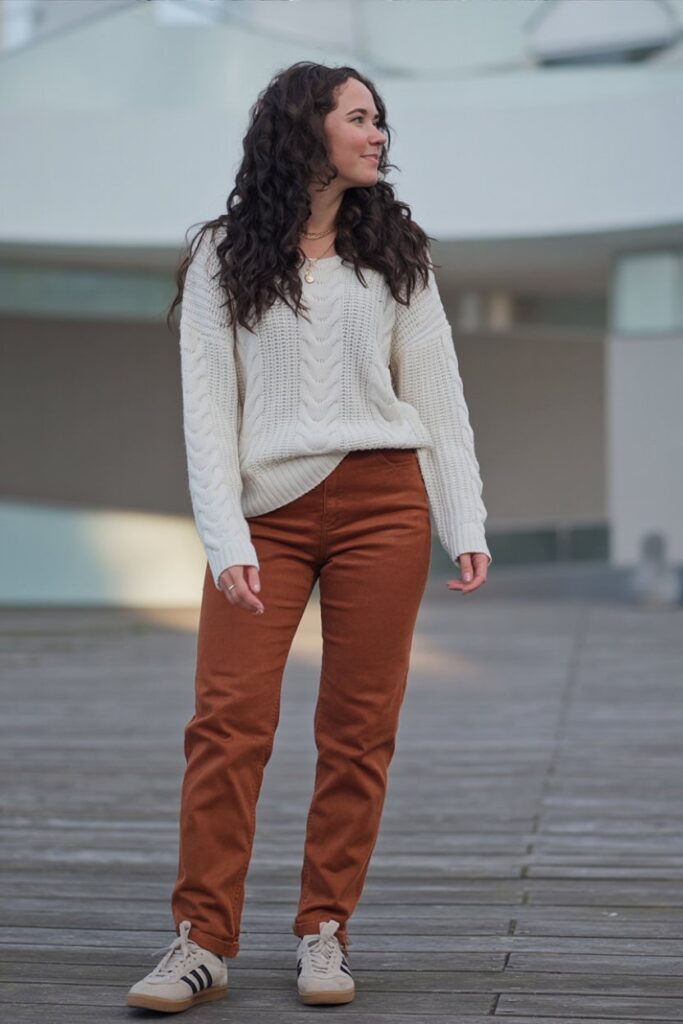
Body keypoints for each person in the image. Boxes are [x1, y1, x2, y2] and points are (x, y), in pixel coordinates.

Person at [127, 60, 492, 1015]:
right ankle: (201, 941)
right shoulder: (223, 254)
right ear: (307, 130)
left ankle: (323, 931)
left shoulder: (395, 252)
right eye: (360, 119)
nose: (378, 136)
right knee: (227, 724)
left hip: (384, 501)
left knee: (358, 731)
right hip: (266, 516)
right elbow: (207, 411)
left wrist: (464, 518)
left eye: (381, 121)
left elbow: (437, 396)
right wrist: (225, 541)